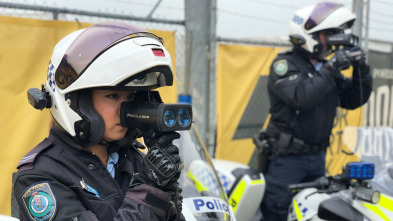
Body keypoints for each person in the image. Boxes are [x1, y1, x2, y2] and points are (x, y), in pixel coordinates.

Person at [13, 21, 185, 221]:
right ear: (77, 102)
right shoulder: (40, 176)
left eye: (129, 98)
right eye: (113, 96)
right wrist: (149, 189)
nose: (125, 109)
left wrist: (167, 192)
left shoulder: (133, 160)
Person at [259, 2, 372, 220]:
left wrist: (361, 67)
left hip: (318, 157)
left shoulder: (324, 69)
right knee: (277, 212)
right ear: (308, 35)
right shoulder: (283, 64)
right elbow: (301, 98)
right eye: (328, 34)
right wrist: (332, 67)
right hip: (287, 161)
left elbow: (354, 98)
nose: (332, 39)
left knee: (311, 213)